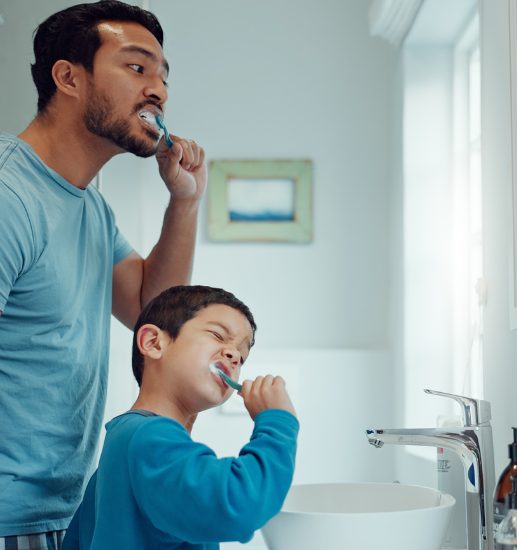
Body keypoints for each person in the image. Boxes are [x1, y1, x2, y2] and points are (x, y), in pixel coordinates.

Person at [0, 1, 207, 546]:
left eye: (163, 75)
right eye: (137, 68)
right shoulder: (8, 195)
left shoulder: (89, 207)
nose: (158, 90)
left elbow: (148, 310)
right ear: (68, 77)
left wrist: (183, 203)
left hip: (60, 508)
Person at [62, 285, 299, 549]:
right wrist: (278, 422)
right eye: (218, 335)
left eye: (242, 356)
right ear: (152, 342)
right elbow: (237, 506)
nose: (234, 356)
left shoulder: (127, 441)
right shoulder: (150, 438)